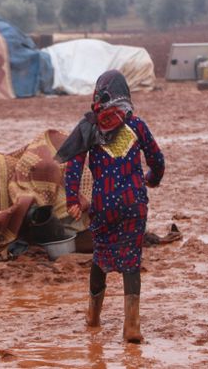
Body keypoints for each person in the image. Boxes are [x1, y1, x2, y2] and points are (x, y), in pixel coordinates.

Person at [55, 70, 165, 343]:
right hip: (134, 205)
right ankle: (132, 325)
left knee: (101, 258)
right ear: (125, 95)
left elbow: (74, 166)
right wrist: (152, 179)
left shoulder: (90, 128)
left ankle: (93, 316)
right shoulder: (136, 126)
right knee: (131, 261)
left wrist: (72, 200)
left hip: (104, 206)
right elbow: (157, 160)